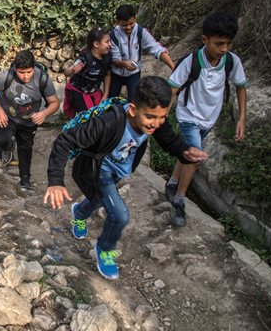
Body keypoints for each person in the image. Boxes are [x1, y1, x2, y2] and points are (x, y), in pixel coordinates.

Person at [43, 76, 207, 280]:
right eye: (151, 118)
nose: (156, 124)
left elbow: (168, 140)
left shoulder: (152, 118)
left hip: (116, 170)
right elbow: (65, 140)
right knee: (120, 215)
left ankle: (79, 213)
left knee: (97, 199)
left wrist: (184, 151)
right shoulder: (108, 123)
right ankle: (105, 249)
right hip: (96, 170)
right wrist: (56, 181)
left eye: (162, 117)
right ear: (132, 109)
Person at [165, 12, 247, 226]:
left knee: (187, 151)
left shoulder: (231, 61)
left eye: (228, 43)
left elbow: (241, 86)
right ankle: (179, 201)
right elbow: (172, 88)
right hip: (188, 116)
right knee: (195, 155)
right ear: (205, 40)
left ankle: (172, 182)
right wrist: (162, 115)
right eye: (219, 43)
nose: (224, 49)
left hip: (209, 118)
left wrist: (241, 119)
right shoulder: (191, 62)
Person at [0, 49, 60, 190]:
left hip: (29, 122)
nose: (25, 76)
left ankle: (25, 182)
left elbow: (55, 103)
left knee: (25, 150)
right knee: (2, 139)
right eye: (21, 72)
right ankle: (6, 148)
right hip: (7, 117)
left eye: (29, 72)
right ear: (15, 68)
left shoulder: (42, 79)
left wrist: (44, 114)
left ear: (33, 68)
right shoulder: (6, 76)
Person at [109, 4, 175, 98]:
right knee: (112, 99)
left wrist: (174, 68)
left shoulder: (141, 32)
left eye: (131, 24)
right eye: (124, 25)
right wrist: (124, 64)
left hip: (134, 73)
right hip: (116, 74)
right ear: (118, 22)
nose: (128, 27)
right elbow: (115, 60)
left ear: (135, 19)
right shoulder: (113, 36)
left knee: (134, 100)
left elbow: (156, 48)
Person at [63, 27, 112, 118]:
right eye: (107, 42)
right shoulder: (85, 58)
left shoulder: (107, 56)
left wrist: (105, 95)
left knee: (101, 115)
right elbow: (66, 73)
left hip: (94, 91)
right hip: (78, 92)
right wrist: (73, 69)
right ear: (96, 44)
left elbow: (107, 75)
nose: (110, 44)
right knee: (88, 118)